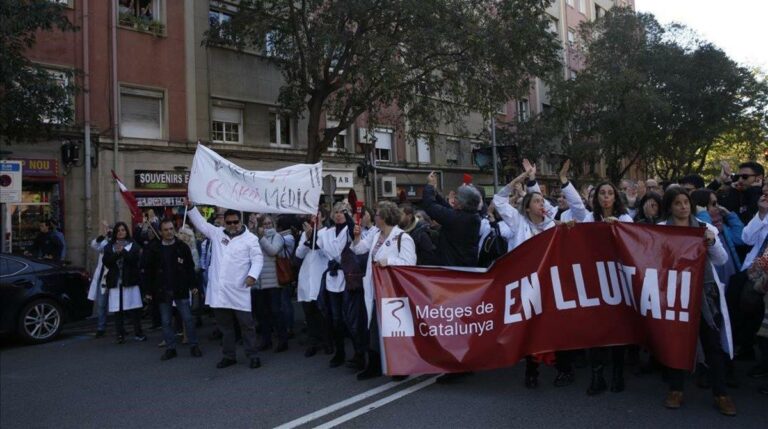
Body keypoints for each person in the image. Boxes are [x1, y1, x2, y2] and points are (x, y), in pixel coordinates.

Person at [658, 187, 736, 416]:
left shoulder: (705, 228)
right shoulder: (662, 230)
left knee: (712, 342)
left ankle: (721, 393)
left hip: (704, 294)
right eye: (677, 203)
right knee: (676, 341)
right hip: (675, 293)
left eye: (686, 202)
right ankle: (676, 389)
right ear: (670, 207)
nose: (683, 207)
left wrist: (711, 242)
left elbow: (721, 260)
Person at [564, 177, 633, 395]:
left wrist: (618, 228)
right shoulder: (588, 218)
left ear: (615, 197)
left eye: (609, 193)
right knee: (595, 328)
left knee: (617, 327)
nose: (605, 197)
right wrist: (571, 229)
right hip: (594, 278)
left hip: (617, 278)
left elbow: (632, 244)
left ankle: (618, 375)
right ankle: (597, 376)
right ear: (596, 198)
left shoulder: (624, 218)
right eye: (602, 193)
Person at [187, 202, 264, 369]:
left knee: (247, 326)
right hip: (220, 291)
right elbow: (201, 224)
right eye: (229, 222)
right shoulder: (217, 233)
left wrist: (252, 275)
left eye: (235, 222)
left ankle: (253, 355)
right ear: (224, 222)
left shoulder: (250, 239)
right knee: (225, 327)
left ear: (240, 220)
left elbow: (258, 259)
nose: (232, 225)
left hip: (239, 289)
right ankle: (229, 356)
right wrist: (191, 208)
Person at [351, 201, 417, 380]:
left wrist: (390, 261)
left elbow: (410, 264)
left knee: (395, 329)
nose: (375, 217)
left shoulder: (403, 238)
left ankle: (401, 367)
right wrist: (357, 237)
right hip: (374, 289)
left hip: (393, 292)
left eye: (378, 214)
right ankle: (374, 365)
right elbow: (359, 249)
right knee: (373, 328)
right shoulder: (375, 235)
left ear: (386, 217)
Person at [143, 219, 202, 360]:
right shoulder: (154, 248)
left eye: (171, 229)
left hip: (180, 288)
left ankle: (194, 345)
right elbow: (149, 271)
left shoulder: (182, 247)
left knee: (188, 319)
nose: (169, 232)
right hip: (163, 290)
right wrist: (148, 291)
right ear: (160, 232)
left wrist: (193, 285)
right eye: (166, 230)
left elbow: (190, 268)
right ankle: (171, 348)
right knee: (166, 321)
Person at [422, 172, 481, 267]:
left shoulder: (457, 218)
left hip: (454, 269)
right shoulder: (470, 215)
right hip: (462, 265)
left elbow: (430, 206)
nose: (453, 200)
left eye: (456, 198)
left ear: (462, 203)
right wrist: (435, 191)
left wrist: (429, 186)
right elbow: (448, 208)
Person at [296, 210, 333, 357]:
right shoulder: (305, 234)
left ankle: (327, 341)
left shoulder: (327, 232)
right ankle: (313, 342)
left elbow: (327, 252)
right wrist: (307, 239)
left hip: (320, 277)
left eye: (316, 215)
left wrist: (314, 238)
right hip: (306, 277)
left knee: (323, 313)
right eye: (311, 216)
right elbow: (299, 253)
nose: (313, 218)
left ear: (322, 217)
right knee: (309, 313)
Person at [102, 222, 146, 344]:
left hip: (130, 280)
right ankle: (120, 334)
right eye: (118, 230)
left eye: (123, 230)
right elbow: (107, 262)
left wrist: (123, 252)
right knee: (118, 309)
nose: (121, 232)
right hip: (116, 281)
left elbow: (134, 260)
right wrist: (117, 254)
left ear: (126, 231)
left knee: (134, 308)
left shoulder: (133, 245)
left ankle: (138, 332)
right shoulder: (109, 246)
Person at [254, 215, 289, 353]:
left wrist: (262, 238)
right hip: (260, 282)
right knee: (263, 314)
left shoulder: (277, 237)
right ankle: (266, 340)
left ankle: (283, 340)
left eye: (270, 223)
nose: (268, 225)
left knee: (276, 311)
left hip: (274, 282)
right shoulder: (255, 238)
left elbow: (273, 251)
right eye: (265, 223)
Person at [87, 222, 112, 337]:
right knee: (101, 303)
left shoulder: (118, 242)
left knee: (117, 302)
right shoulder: (104, 242)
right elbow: (94, 245)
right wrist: (102, 236)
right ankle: (101, 327)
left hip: (114, 276)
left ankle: (120, 326)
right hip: (103, 277)